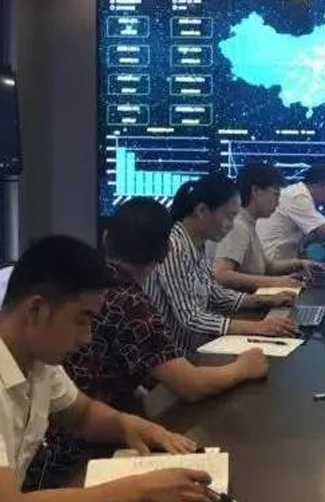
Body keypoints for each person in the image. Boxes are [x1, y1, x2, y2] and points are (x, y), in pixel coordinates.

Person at [0, 236, 215, 502]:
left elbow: (81, 415)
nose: (87, 337)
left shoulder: (36, 359)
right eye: (81, 320)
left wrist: (128, 425)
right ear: (36, 310)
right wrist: (139, 488)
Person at [25, 198, 270, 490]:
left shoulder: (86, 288)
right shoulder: (129, 302)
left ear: (106, 238)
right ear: (166, 251)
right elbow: (190, 385)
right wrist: (244, 367)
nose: (85, 336)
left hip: (70, 439)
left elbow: (87, 404)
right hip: (73, 460)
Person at [148, 171, 299, 352]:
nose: (232, 225)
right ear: (202, 211)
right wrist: (257, 327)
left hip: (194, 347)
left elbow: (213, 293)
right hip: (174, 354)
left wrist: (262, 300)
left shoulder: (195, 243)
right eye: (229, 216)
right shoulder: (174, 247)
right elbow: (191, 318)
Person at [213, 162, 325, 292]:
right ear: (256, 191)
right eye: (275, 194)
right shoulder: (238, 226)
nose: (278, 202)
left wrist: (300, 263)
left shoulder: (248, 222)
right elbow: (221, 274)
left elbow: (267, 267)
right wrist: (278, 282)